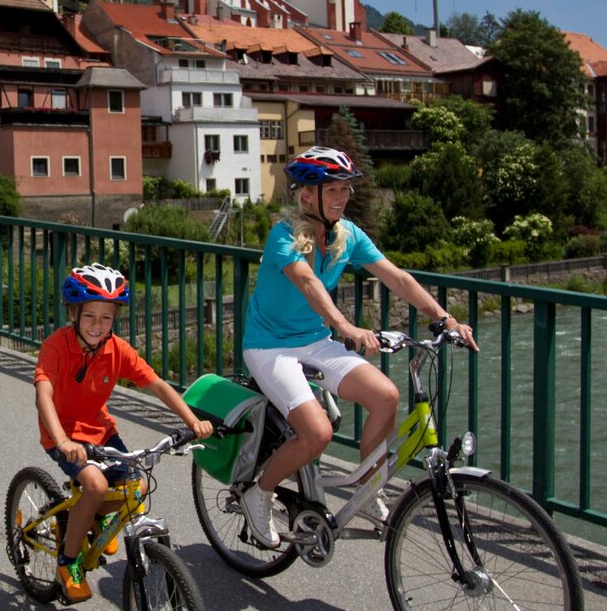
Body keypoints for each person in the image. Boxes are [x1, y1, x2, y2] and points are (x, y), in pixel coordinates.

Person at [239, 146, 478, 548]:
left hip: (314, 341)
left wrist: (444, 318)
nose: (342, 197)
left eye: (345, 189)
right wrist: (345, 325)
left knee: (386, 395)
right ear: (306, 195)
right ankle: (257, 493)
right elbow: (309, 283)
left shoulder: (347, 234)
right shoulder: (283, 235)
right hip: (269, 348)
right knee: (316, 434)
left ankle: (368, 491)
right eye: (331, 189)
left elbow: (396, 277)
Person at [34, 263, 213, 603]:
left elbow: (157, 384)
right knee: (97, 485)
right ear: (73, 312)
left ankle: (93, 517)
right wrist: (62, 441)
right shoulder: (56, 347)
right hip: (64, 434)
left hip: (101, 432)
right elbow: (44, 394)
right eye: (89, 316)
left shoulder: (117, 349)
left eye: (106, 318)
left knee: (139, 485)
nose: (97, 326)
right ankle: (69, 561)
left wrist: (192, 422)